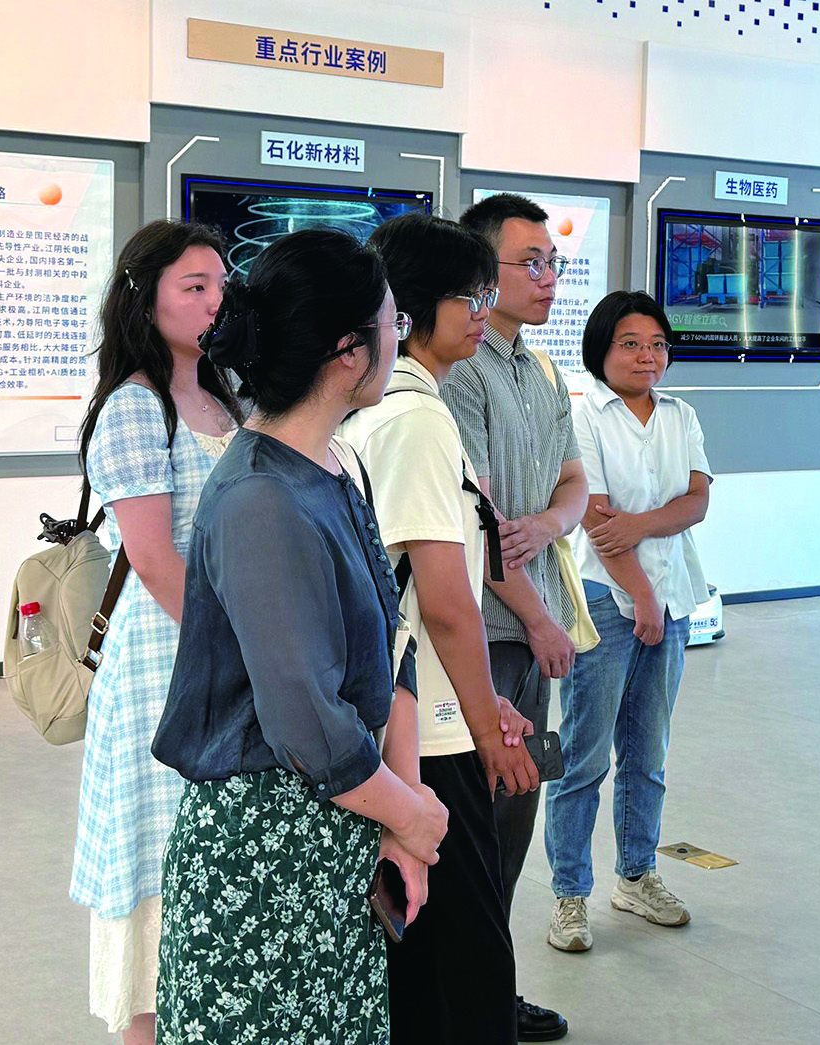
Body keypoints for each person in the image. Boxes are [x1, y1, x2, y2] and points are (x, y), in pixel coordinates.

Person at [149, 229, 447, 1045]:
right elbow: (306, 724)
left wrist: (403, 813)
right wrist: (411, 813)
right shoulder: (260, 499)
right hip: (263, 860)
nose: (401, 337)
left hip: (341, 837)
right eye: (392, 322)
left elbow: (392, 643)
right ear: (348, 351)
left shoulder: (337, 465)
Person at [337, 213, 540, 1045]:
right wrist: (488, 726)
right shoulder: (415, 419)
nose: (483, 312)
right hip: (432, 736)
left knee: (421, 958)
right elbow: (447, 602)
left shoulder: (381, 411)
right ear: (414, 306)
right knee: (465, 965)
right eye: (470, 295)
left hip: (408, 715)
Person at [71, 219, 243, 1045]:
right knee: (158, 861)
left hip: (219, 652)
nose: (214, 301)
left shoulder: (225, 395)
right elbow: (152, 558)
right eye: (194, 286)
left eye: (221, 285)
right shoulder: (135, 406)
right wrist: (235, 652)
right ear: (147, 300)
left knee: (204, 854)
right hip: (164, 661)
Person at [445, 192, 586, 1042]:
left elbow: (572, 483)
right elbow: (477, 524)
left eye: (553, 262)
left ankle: (488, 986)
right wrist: (537, 619)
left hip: (536, 629)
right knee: (476, 823)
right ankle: (469, 999)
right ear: (481, 272)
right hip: (494, 633)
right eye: (529, 262)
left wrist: (553, 524)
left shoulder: (542, 371)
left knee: (512, 818)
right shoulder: (461, 375)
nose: (547, 278)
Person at [543, 291, 711, 953]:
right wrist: (641, 596)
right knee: (583, 757)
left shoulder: (680, 414)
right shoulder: (583, 415)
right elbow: (595, 518)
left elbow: (696, 502)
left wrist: (639, 526)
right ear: (601, 351)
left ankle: (636, 875)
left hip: (675, 598)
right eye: (631, 344)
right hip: (604, 602)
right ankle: (569, 894)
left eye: (658, 344)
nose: (648, 356)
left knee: (648, 754)